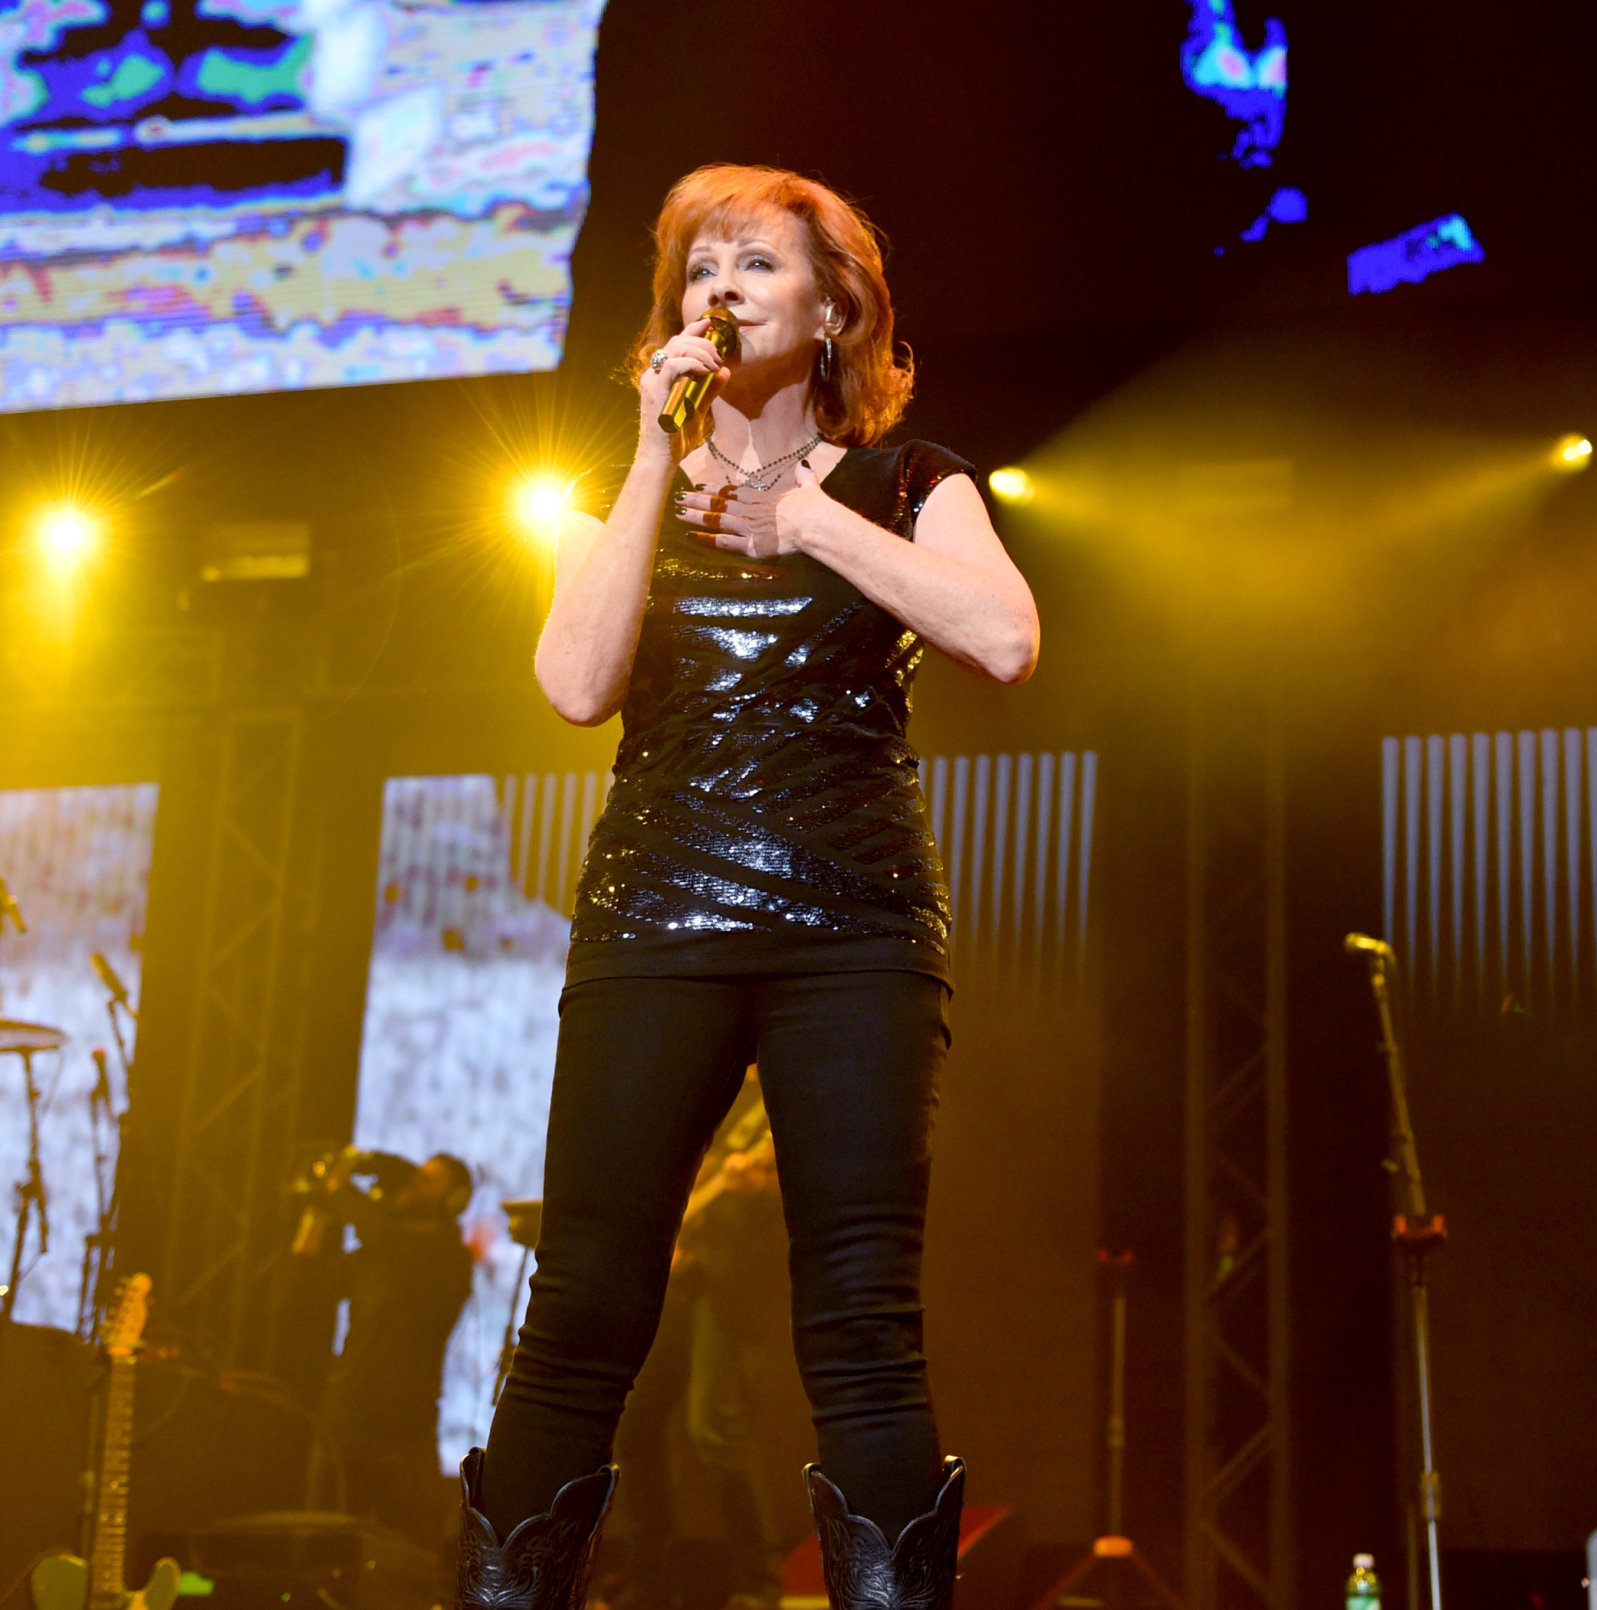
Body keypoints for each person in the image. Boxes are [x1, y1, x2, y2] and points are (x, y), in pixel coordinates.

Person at [458, 164, 1039, 1610]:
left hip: (853, 923)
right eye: (698, 265)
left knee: (858, 1312)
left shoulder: (916, 481)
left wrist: (813, 521)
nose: (720, 284)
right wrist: (660, 461)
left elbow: (1009, 639)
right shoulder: (624, 489)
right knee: (583, 1300)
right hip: (658, 910)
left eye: (756, 263)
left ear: (835, 307)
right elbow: (575, 684)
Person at [610, 1070, 811, 1610]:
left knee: (712, 1428)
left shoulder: (800, 1091)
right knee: (637, 1425)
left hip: (734, 1293)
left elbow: (814, 1198)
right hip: (685, 1282)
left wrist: (763, 1189)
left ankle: (759, 1581)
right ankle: (649, 1584)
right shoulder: (723, 1105)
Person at [299, 1149, 476, 1545]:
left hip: (404, 1431)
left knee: (409, 1550)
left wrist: (338, 1188)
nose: (413, 1182)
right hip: (345, 1418)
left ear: (453, 1202)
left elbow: (379, 1229)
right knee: (322, 1546)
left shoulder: (446, 1256)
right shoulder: (380, 1251)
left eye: (429, 1180)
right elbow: (304, 1287)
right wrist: (314, 1215)